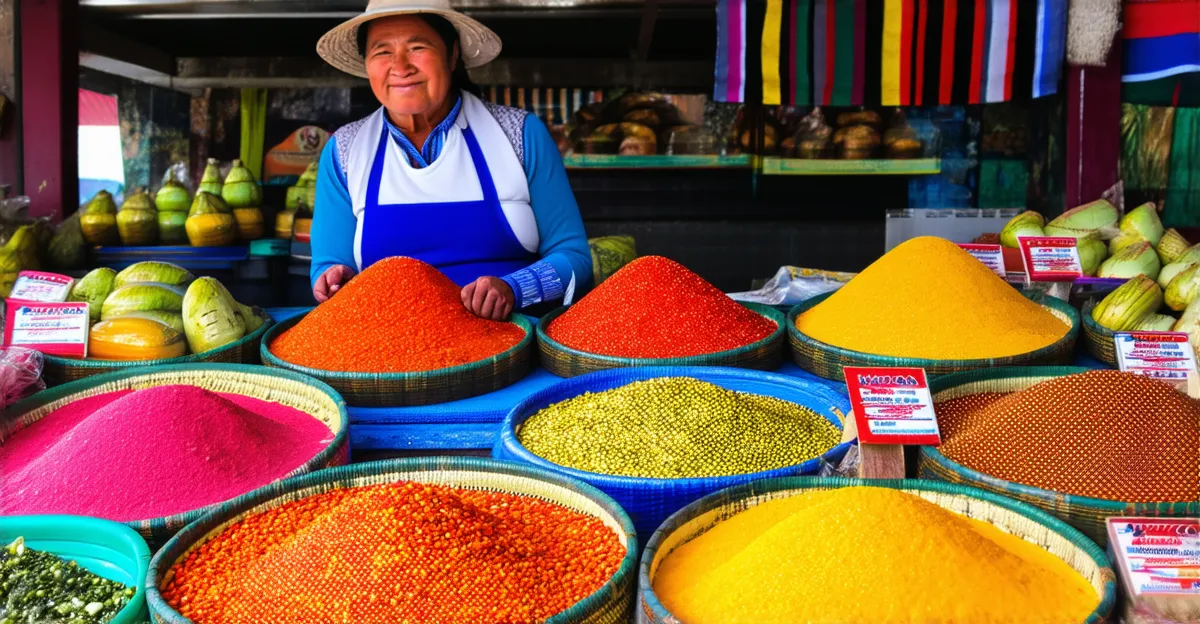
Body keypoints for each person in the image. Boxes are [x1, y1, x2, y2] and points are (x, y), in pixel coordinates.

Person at [312, 0, 592, 319]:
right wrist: (333, 279)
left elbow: (574, 258)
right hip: (393, 348)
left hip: (513, 343)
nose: (400, 67)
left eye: (417, 47)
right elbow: (328, 266)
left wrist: (514, 289)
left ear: (453, 53)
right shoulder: (345, 151)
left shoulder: (520, 135)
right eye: (382, 51)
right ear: (367, 64)